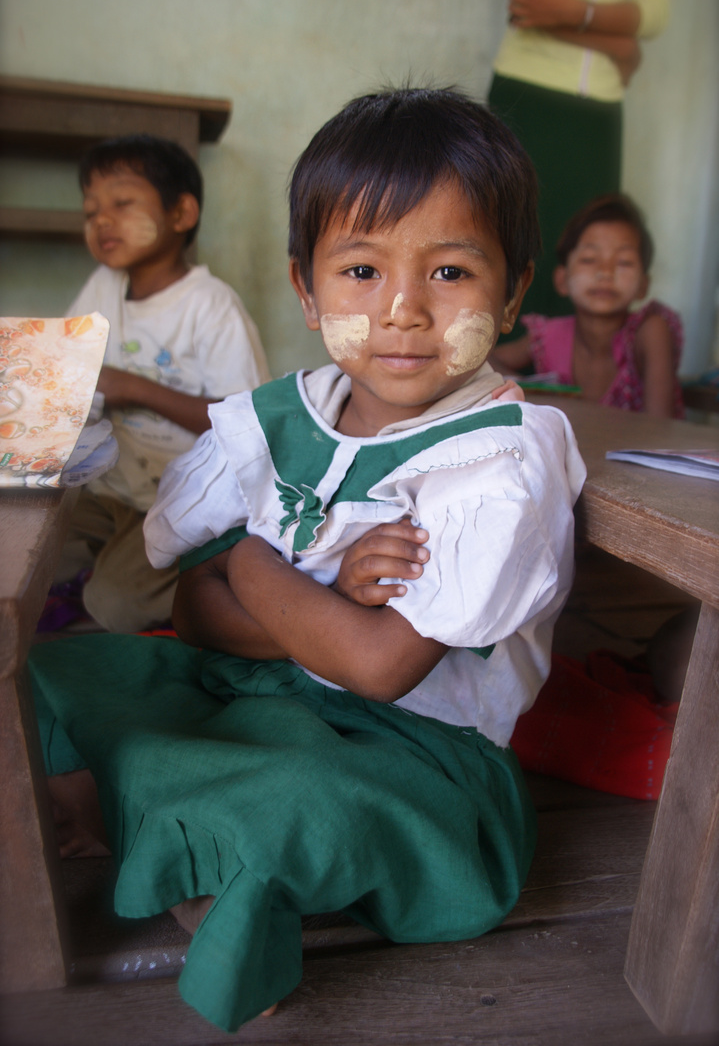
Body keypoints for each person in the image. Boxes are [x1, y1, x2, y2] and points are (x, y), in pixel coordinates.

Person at [29, 88, 586, 1032]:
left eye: (449, 270)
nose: (402, 310)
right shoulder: (279, 419)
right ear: (306, 286)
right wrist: (311, 599)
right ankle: (150, 819)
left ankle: (202, 863)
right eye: (361, 270)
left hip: (415, 758)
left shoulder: (501, 458)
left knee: (292, 803)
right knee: (58, 665)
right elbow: (194, 614)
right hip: (267, 696)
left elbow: (374, 667)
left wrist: (253, 568)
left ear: (514, 288)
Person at [58, 133, 270, 633]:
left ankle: (216, 566)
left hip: (179, 499)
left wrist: (133, 388)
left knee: (113, 603)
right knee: (27, 532)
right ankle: (114, 560)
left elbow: (244, 425)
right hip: (113, 487)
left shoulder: (211, 306)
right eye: (91, 211)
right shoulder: (103, 286)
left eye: (122, 203)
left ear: (181, 214)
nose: (101, 220)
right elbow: (67, 363)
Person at [489, 0, 672, 326]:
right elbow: (529, 2)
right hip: (527, 92)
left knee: (588, 236)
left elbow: (653, 14)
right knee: (510, 230)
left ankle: (569, 371)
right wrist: (618, 41)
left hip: (599, 108)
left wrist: (575, 13)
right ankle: (499, 366)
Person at [490, 193, 684, 418]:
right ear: (562, 280)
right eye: (589, 260)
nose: (605, 273)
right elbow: (484, 358)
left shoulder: (650, 331)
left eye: (624, 262)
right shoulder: (550, 337)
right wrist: (520, 384)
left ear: (643, 285)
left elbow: (658, 427)